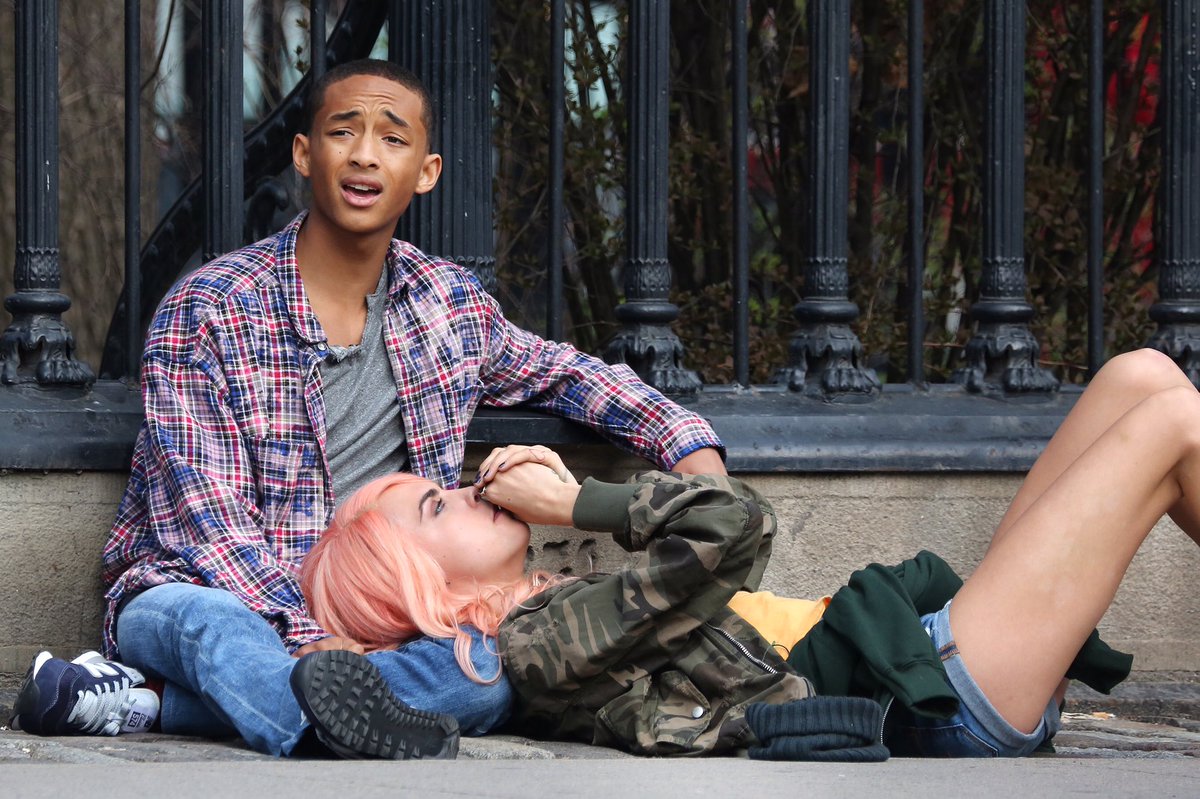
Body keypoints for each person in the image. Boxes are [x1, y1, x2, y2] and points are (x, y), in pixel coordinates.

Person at [9, 58, 724, 760]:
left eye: (392, 137)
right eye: (342, 131)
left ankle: (155, 704)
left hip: (386, 612)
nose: (364, 156)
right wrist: (316, 635)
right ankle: (321, 715)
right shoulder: (210, 311)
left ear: (426, 170)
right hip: (200, 589)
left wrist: (688, 446)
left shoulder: (448, 305)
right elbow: (211, 530)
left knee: (486, 670)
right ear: (303, 154)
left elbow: (566, 373)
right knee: (213, 629)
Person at [300, 348, 1198, 758]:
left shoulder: (552, 601)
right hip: (937, 694)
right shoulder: (536, 646)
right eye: (437, 503)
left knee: (1142, 375)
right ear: (428, 586)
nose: (465, 485)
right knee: (1176, 423)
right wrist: (580, 497)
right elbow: (738, 525)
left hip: (925, 647)